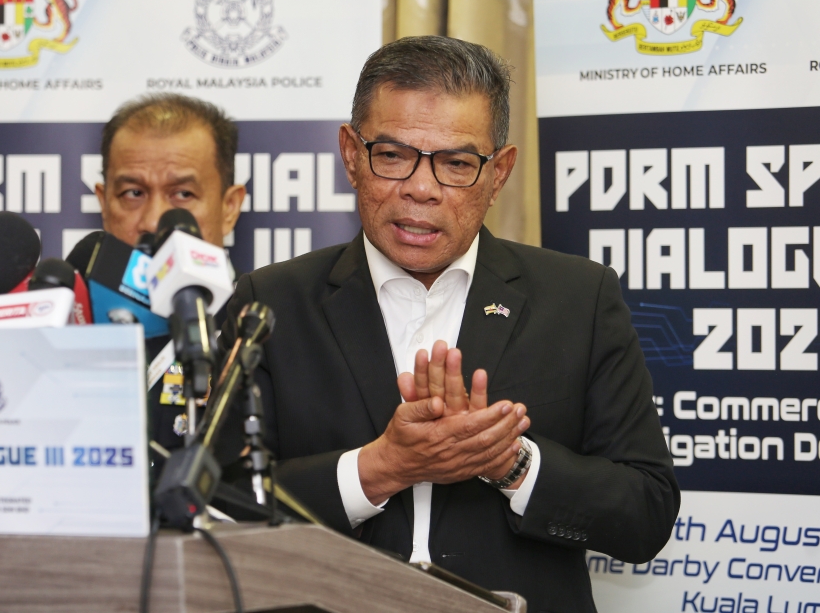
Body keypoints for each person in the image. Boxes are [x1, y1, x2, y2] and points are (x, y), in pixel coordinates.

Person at [216, 36, 679, 612]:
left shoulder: (579, 298)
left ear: (499, 172)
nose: (421, 187)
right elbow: (217, 502)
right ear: (351, 154)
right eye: (392, 155)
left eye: (457, 163)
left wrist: (509, 463)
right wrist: (377, 470)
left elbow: (646, 513)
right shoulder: (270, 301)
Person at [95, 92, 245, 447]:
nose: (151, 222)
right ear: (103, 204)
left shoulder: (257, 330)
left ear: (229, 208)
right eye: (133, 193)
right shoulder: (69, 321)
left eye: (182, 195)